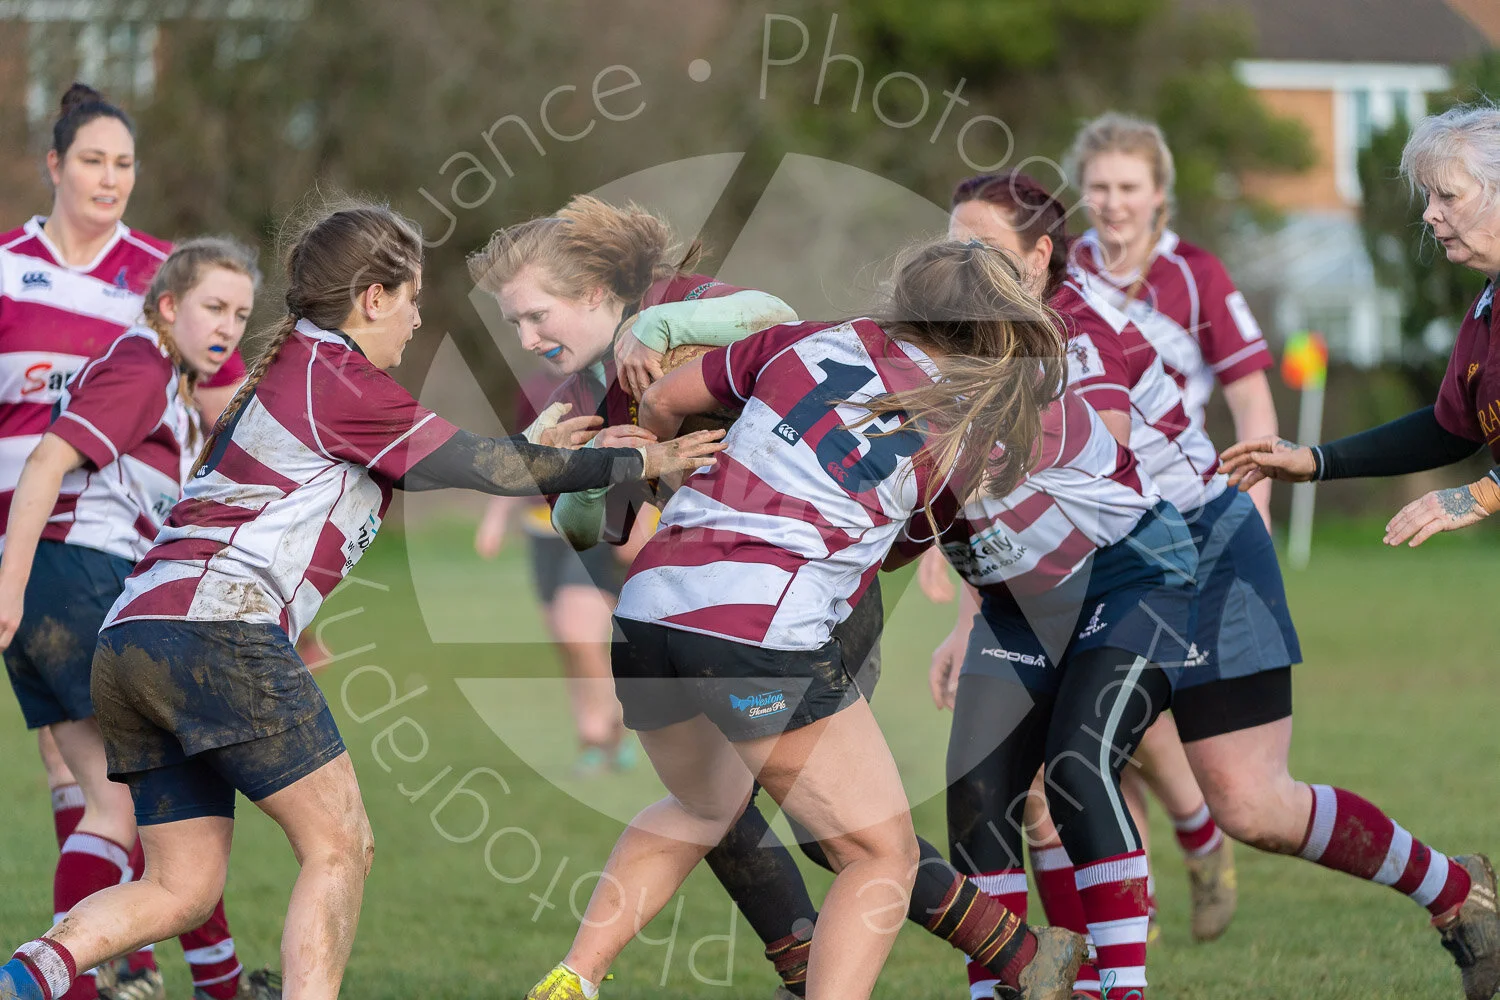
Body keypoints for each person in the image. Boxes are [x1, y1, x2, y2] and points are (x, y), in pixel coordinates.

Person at [0, 201, 725, 1000]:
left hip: (132, 637)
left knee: (182, 888)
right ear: (372, 298)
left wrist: (536, 451)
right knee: (340, 845)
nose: (416, 320)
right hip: (217, 630)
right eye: (411, 299)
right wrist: (641, 461)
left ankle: (26, 976)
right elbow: (474, 466)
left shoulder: (303, 371)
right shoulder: (335, 374)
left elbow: (471, 459)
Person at [472, 199, 1082, 1000]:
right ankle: (966, 961)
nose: (525, 337)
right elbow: (897, 549)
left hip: (651, 606)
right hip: (764, 622)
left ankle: (572, 978)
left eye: (533, 316)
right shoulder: (962, 436)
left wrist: (676, 461)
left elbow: (671, 399)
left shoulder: (810, 338)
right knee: (879, 854)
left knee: (706, 808)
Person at [1219, 102, 1500, 1000]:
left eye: (1447, 194)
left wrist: (1484, 493)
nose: (1430, 214)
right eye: (1428, 197)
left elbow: (1478, 465)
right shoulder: (1488, 309)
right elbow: (1452, 425)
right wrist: (1317, 460)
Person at [0, 82, 256, 1000]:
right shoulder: (9, 270)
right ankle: (114, 969)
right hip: (58, 556)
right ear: (55, 165)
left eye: (124, 164)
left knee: (120, 788)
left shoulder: (162, 280)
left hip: (93, 561)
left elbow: (225, 416)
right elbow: (47, 458)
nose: (110, 178)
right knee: (139, 791)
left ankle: (124, 964)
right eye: (92, 161)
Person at [473, 370, 646, 775]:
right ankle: (592, 735)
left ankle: (611, 722)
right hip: (541, 529)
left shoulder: (618, 379)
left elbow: (646, 451)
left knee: (578, 632)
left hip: (597, 523)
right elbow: (523, 454)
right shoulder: (534, 387)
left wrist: (641, 516)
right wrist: (497, 515)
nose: (534, 341)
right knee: (566, 641)